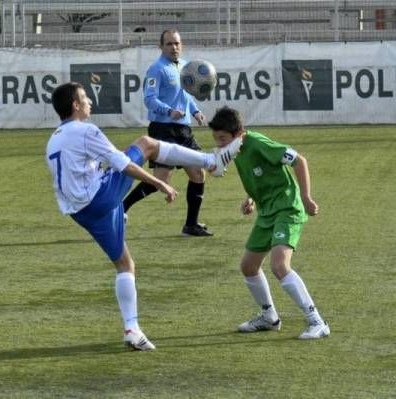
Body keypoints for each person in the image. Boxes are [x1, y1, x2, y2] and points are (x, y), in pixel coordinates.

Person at [46, 82, 242, 350]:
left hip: (80, 211)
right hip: (98, 198)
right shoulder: (85, 130)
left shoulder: (54, 138)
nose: (90, 100)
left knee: (126, 265)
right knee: (147, 144)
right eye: (84, 98)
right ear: (75, 106)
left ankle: (132, 330)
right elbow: (123, 164)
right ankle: (211, 161)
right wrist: (159, 182)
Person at [208, 106, 330, 340]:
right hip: (267, 213)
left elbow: (299, 161)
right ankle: (269, 317)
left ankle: (317, 321)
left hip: (287, 208)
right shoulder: (235, 151)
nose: (219, 144)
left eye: (223, 139)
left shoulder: (257, 143)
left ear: (238, 133)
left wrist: (306, 198)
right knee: (248, 266)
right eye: (216, 139)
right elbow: (261, 175)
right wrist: (251, 198)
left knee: (279, 266)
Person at [123, 29, 212, 237]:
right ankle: (121, 208)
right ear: (161, 47)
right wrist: (168, 110)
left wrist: (195, 111)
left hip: (184, 130)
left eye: (177, 43)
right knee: (161, 179)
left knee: (199, 173)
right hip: (163, 129)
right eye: (170, 44)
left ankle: (191, 225)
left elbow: (187, 96)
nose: (175, 48)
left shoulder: (185, 66)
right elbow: (149, 99)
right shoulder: (157, 69)